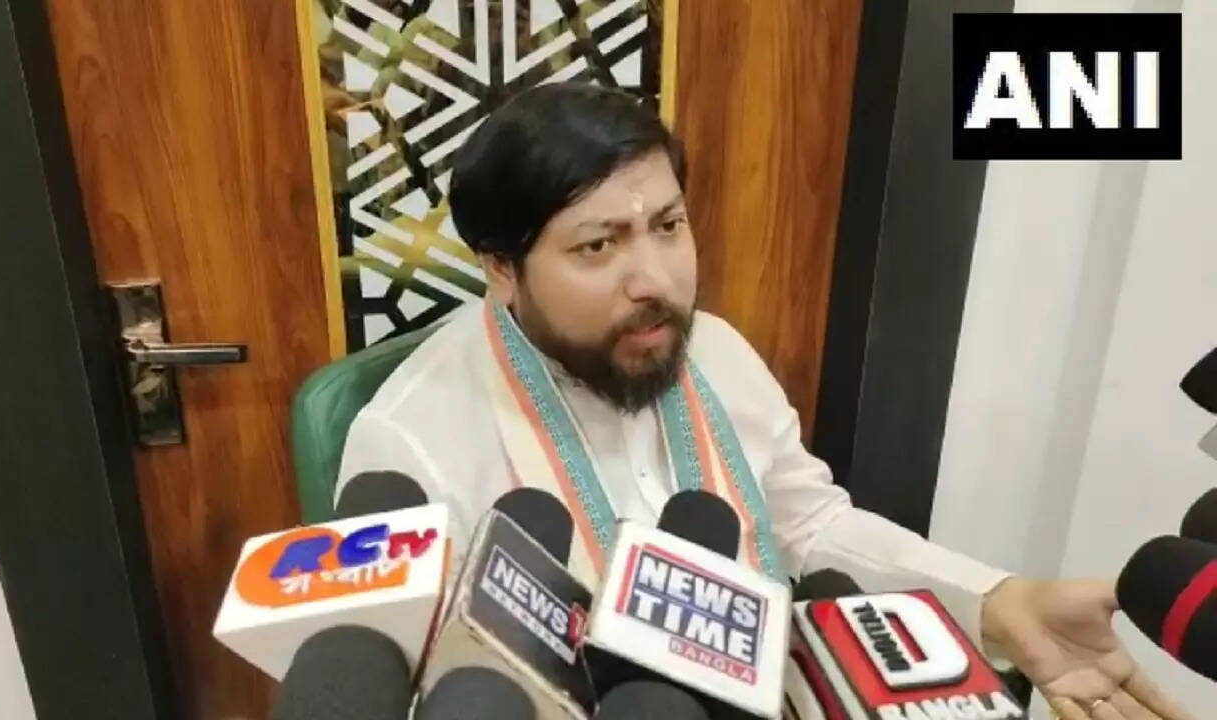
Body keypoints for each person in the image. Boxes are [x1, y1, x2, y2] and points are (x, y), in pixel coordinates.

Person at [337, 82, 1189, 720]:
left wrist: (997, 598)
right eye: (598, 246)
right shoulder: (411, 441)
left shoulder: (712, 352)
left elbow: (808, 525)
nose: (655, 280)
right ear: (501, 267)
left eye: (668, 226)